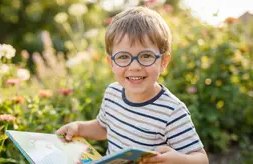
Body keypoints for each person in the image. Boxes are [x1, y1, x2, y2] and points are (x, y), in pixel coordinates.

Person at [56, 6, 209, 164]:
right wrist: (78, 128)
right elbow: (104, 128)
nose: (134, 66)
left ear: (163, 62)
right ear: (111, 63)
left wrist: (181, 160)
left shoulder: (172, 112)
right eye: (123, 57)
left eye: (146, 56)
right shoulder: (113, 93)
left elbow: (201, 159)